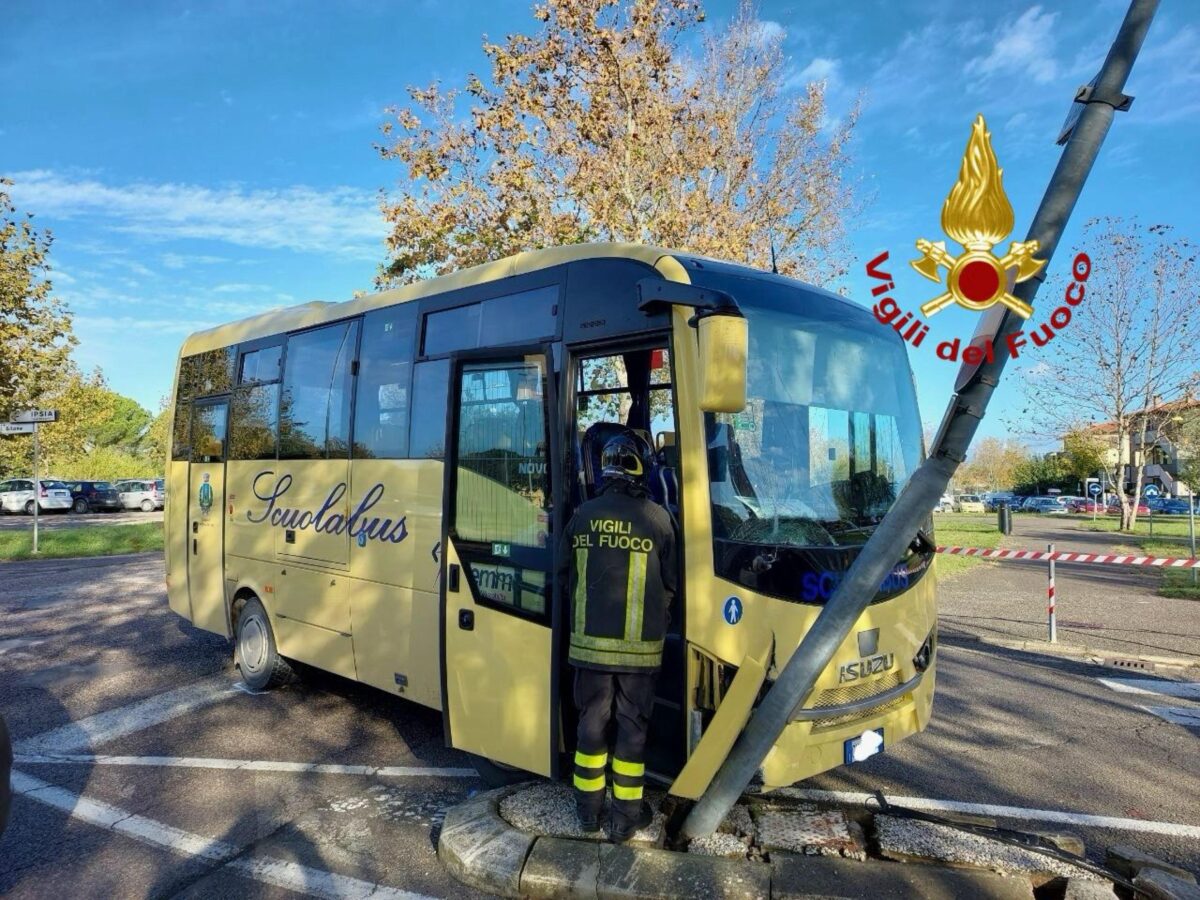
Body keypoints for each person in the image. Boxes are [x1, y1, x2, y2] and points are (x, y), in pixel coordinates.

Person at [560, 433, 677, 841]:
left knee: (591, 727)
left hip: (588, 651)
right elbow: (671, 586)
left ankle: (587, 813)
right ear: (641, 468)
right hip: (640, 657)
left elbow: (562, 576)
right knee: (631, 732)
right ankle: (625, 820)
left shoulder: (582, 516)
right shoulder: (659, 519)